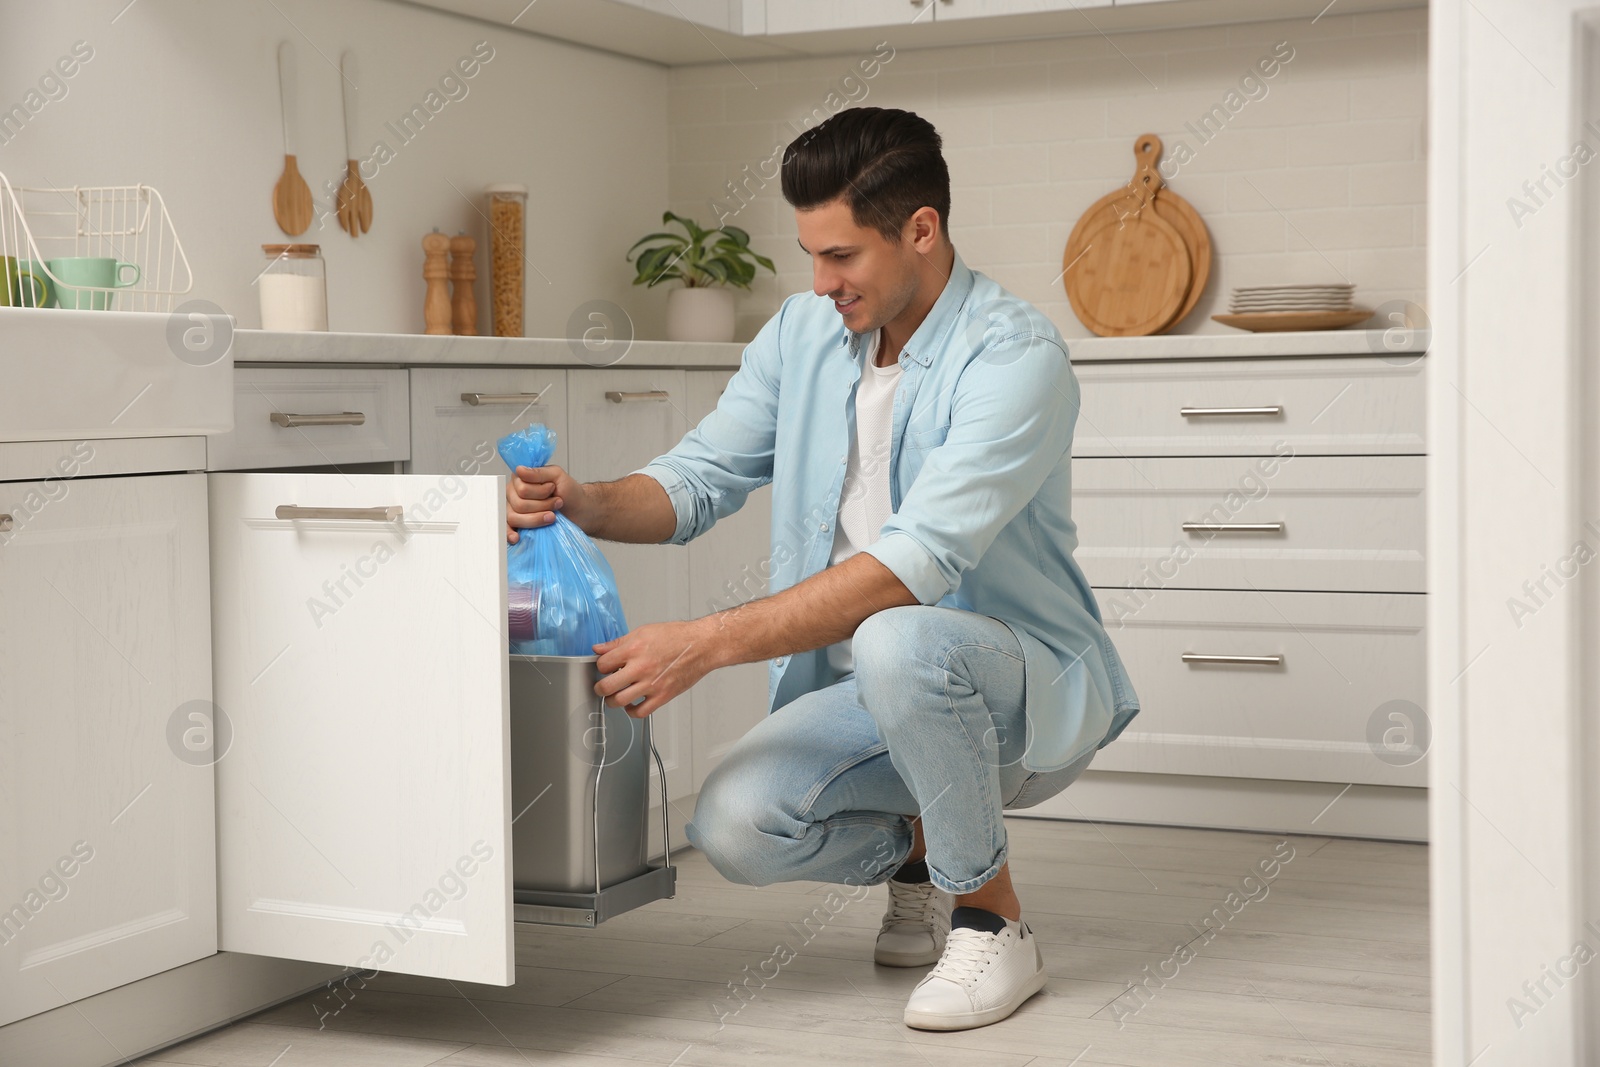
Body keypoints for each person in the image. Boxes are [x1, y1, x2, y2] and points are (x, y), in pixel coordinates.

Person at [505, 106, 1140, 1032]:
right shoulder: (804, 334)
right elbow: (699, 478)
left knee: (896, 637)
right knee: (733, 826)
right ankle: (923, 855)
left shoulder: (1013, 356)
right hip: (875, 685)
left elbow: (908, 570)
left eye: (840, 255)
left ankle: (991, 918)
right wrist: (583, 499)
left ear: (921, 229)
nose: (820, 282)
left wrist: (705, 643)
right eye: (810, 254)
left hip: (1018, 684)